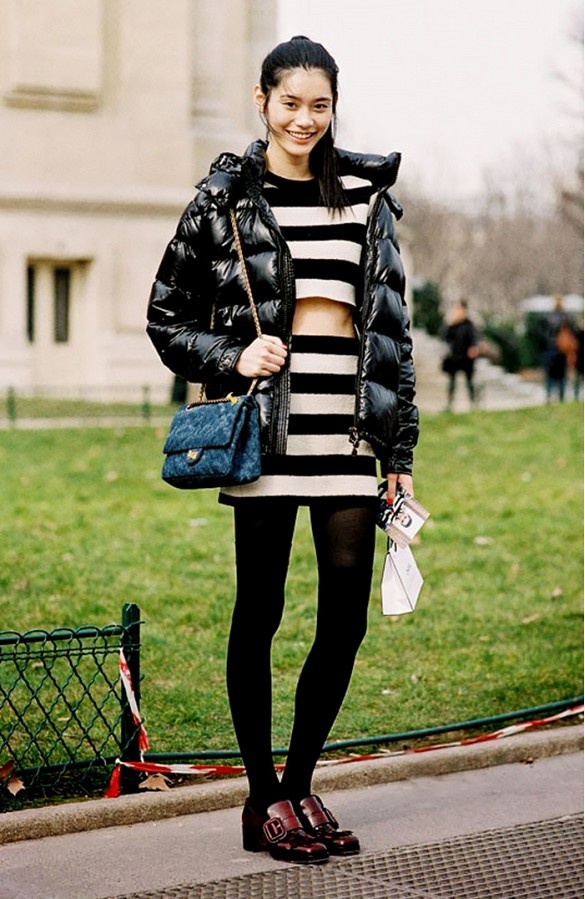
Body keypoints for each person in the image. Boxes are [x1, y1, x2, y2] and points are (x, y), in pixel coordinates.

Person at [147, 36, 418, 865]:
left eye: (319, 104)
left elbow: (392, 337)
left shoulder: (365, 196)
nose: (305, 118)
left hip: (347, 436)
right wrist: (232, 356)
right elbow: (166, 318)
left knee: (343, 619)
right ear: (261, 100)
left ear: (333, 107)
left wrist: (399, 452)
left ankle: (299, 785)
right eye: (290, 102)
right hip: (264, 437)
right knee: (259, 612)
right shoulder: (223, 199)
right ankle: (260, 797)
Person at [441, 299, 479, 410]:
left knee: (469, 381)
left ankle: (473, 402)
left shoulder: (469, 324)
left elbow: (474, 338)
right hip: (455, 356)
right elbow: (445, 337)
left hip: (467, 358)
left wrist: (473, 348)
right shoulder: (453, 325)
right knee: (452, 381)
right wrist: (449, 324)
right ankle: (450, 403)